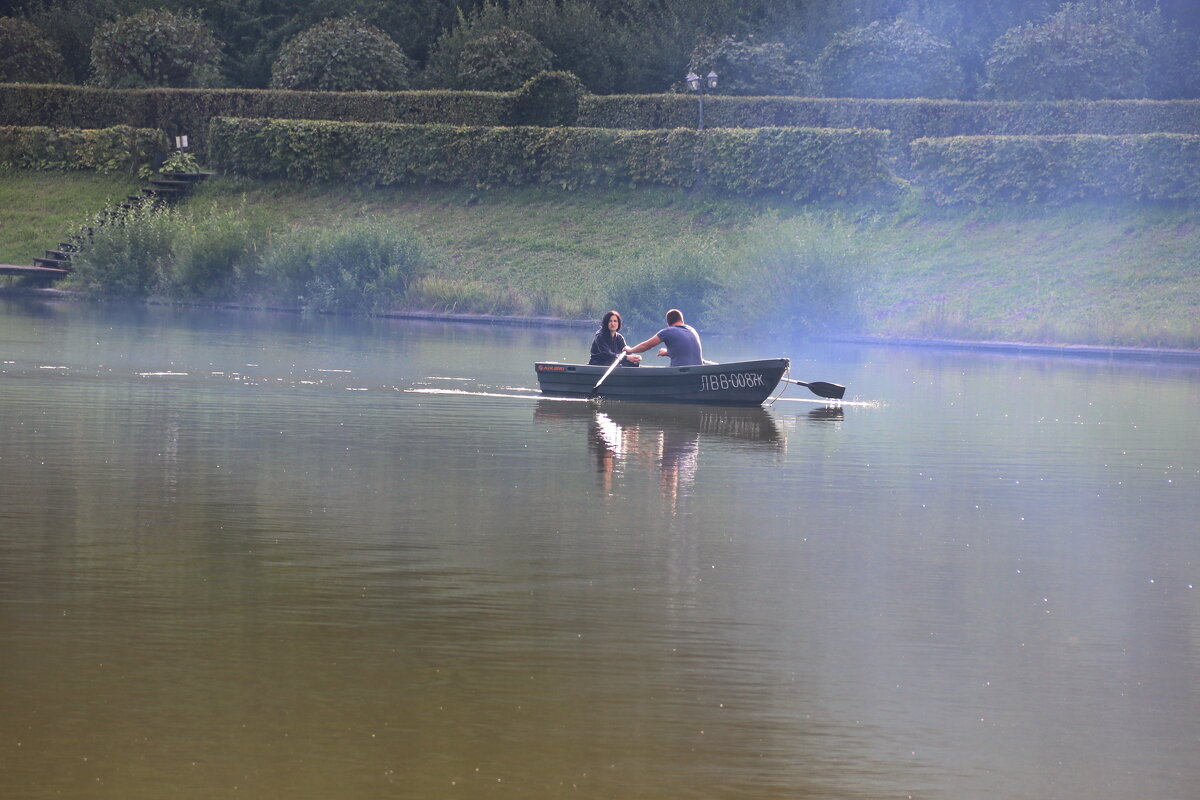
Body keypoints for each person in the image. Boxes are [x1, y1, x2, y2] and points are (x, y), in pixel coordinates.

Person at [625, 308, 703, 367]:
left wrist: (630, 350)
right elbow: (683, 351)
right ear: (682, 321)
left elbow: (645, 346)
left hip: (680, 371)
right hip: (698, 370)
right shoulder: (692, 330)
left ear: (668, 323)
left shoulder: (668, 331)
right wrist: (666, 353)